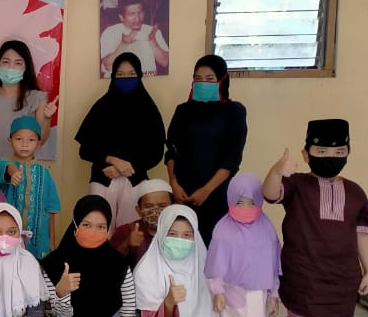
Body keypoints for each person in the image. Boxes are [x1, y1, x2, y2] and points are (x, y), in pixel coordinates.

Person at [265, 119, 368, 317]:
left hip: (343, 279)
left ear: (348, 153)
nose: (331, 157)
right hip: (305, 277)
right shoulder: (297, 185)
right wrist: (276, 171)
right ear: (306, 154)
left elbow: (363, 233)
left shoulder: (356, 192)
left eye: (339, 152)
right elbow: (270, 194)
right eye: (322, 152)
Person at [205, 174, 282, 317]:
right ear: (230, 199)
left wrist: (274, 293)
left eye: (251, 203)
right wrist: (217, 291)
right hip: (229, 296)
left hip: (257, 295)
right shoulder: (223, 229)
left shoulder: (266, 229)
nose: (246, 208)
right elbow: (216, 263)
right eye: (240, 202)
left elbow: (273, 263)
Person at [75, 53, 166, 227]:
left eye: (131, 74)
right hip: (102, 178)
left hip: (135, 181)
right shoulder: (101, 107)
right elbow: (85, 150)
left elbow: (156, 153)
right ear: (113, 76)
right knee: (98, 231)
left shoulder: (149, 110)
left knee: (130, 233)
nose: (126, 79)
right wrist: (113, 160)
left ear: (139, 75)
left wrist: (127, 167)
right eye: (120, 74)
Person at [166, 54, 247, 242]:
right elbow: (171, 150)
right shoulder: (183, 110)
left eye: (210, 79)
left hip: (216, 194)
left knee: (212, 246)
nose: (203, 83)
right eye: (198, 79)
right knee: (182, 244)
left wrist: (206, 190)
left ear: (222, 80)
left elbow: (232, 159)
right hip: (182, 194)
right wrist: (174, 184)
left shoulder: (234, 111)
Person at [0, 40, 56, 182]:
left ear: (26, 68)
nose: (11, 68)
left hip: (20, 173)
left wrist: (47, 118)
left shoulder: (37, 98)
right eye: (6, 62)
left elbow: (41, 139)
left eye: (18, 63)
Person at [0, 115, 61, 258]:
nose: (25, 144)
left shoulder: (45, 173)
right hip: (10, 236)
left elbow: (51, 210)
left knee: (37, 267)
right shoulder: (3, 163)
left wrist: (52, 241)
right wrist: (13, 172)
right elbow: (8, 166)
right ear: (10, 140)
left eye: (31, 140)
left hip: (39, 239)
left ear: (39, 143)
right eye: (19, 139)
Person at [100, 0, 168, 76]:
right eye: (132, 14)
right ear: (121, 17)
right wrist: (123, 44)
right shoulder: (110, 33)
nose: (137, 18)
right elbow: (108, 65)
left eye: (140, 12)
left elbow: (165, 62)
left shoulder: (152, 32)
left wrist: (153, 43)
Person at [110, 179, 174, 266]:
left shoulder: (183, 231)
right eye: (149, 206)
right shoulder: (125, 231)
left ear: (173, 207)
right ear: (138, 210)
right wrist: (126, 244)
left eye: (162, 206)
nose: (155, 212)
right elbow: (110, 265)